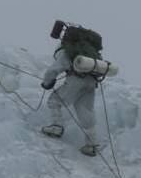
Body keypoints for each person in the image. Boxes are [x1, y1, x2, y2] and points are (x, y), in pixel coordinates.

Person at [40, 22, 105, 157]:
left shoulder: (66, 50)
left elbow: (54, 69)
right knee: (85, 111)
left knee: (54, 100)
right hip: (92, 81)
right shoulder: (89, 51)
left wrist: (47, 82)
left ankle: (56, 127)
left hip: (76, 79)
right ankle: (91, 144)